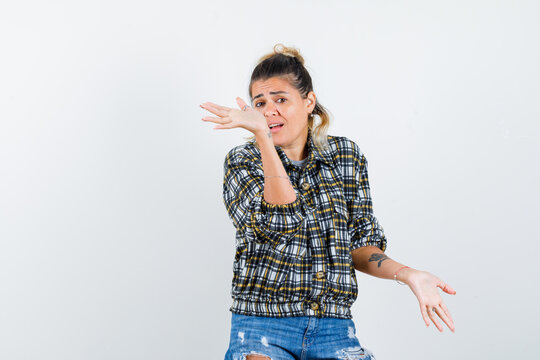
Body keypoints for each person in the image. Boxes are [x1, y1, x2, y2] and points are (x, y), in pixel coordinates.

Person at [200, 44, 456, 360]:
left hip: (333, 329)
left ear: (309, 101)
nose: (269, 111)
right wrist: (264, 139)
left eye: (281, 99)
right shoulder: (244, 160)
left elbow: (360, 244)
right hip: (262, 325)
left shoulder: (345, 156)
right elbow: (281, 222)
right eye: (260, 103)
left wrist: (408, 274)